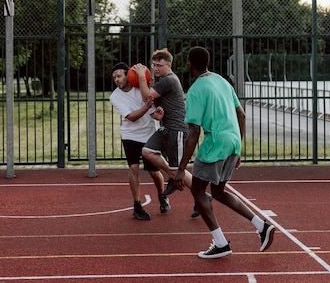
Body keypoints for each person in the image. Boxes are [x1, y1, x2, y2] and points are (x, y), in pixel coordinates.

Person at [174, 46, 275, 258]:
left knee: (198, 191)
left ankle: (221, 243)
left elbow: (193, 132)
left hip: (215, 143)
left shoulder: (195, 90)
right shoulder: (221, 80)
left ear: (189, 64)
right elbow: (242, 115)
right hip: (233, 141)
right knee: (218, 192)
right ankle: (261, 226)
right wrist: (238, 148)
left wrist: (181, 169)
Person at [133, 48, 194, 215]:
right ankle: (173, 177)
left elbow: (147, 98)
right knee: (147, 151)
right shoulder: (163, 81)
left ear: (169, 65)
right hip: (166, 128)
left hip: (177, 130)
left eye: (159, 65)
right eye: (153, 65)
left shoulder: (169, 80)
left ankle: (202, 197)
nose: (155, 68)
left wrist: (140, 76)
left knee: (178, 170)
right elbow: (153, 104)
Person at [109, 62, 166, 220]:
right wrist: (147, 107)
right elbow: (131, 117)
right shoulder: (115, 96)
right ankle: (137, 205)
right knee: (133, 168)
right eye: (114, 78)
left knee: (154, 172)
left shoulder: (141, 88)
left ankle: (162, 196)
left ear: (128, 75)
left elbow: (153, 112)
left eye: (119, 76)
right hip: (130, 135)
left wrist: (157, 112)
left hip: (149, 134)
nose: (117, 80)